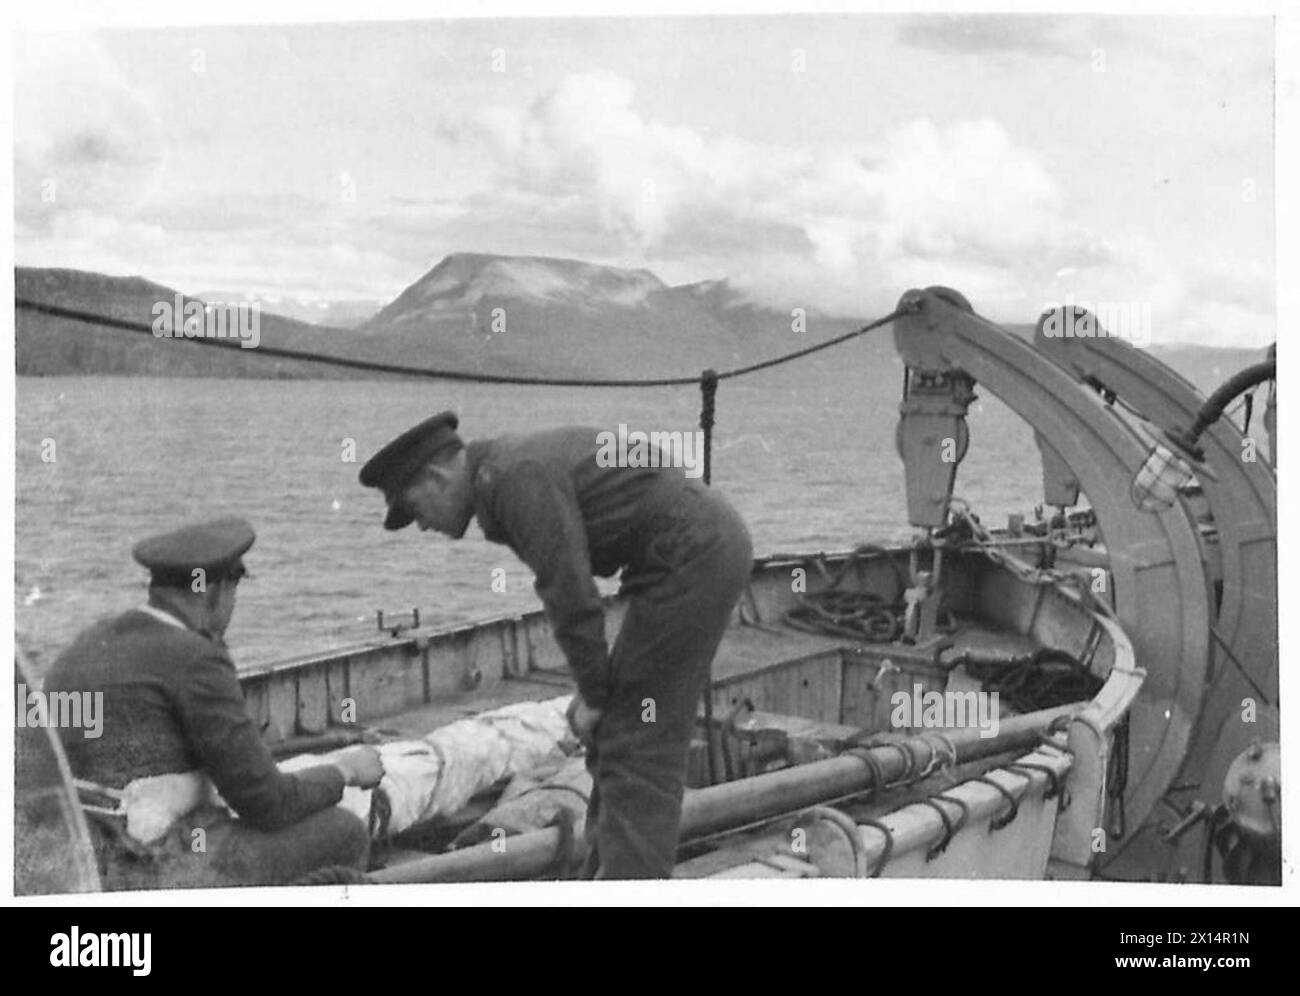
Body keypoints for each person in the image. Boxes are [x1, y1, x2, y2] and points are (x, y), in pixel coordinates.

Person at [359, 412, 753, 878]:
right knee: (621, 734)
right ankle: (604, 873)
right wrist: (599, 697)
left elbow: (569, 591)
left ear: (437, 475)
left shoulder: (512, 479)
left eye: (413, 507)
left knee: (641, 744)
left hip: (693, 554)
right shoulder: (503, 472)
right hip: (682, 554)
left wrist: (593, 694)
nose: (420, 525)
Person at [42, 517, 383, 889]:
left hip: (76, 860)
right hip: (158, 872)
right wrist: (345, 771)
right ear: (215, 590)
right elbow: (268, 804)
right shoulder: (197, 658)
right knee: (343, 831)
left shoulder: (88, 642)